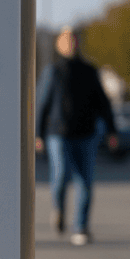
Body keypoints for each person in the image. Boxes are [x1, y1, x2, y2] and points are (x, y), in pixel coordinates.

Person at [35, 29, 118, 245]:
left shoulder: (89, 71)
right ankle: (59, 208)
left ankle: (80, 227)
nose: (71, 43)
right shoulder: (52, 71)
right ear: (59, 45)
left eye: (74, 39)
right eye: (66, 39)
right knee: (61, 174)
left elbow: (103, 102)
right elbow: (42, 104)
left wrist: (111, 130)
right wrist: (38, 134)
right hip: (58, 134)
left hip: (86, 134)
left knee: (86, 182)